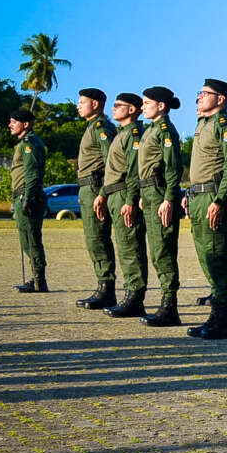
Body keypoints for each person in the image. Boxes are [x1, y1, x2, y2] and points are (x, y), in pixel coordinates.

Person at [185, 78, 227, 339]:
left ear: (220, 99)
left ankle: (224, 320)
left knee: (218, 256)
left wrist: (219, 200)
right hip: (199, 196)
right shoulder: (203, 124)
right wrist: (189, 194)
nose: (199, 97)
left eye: (204, 93)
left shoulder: (224, 125)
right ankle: (218, 316)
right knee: (206, 256)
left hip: (213, 196)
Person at [130, 86, 184, 324]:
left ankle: (169, 307)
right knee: (156, 250)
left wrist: (169, 198)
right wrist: (144, 192)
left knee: (163, 250)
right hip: (150, 192)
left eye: (147, 103)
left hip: (160, 193)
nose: (142, 107)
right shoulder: (150, 129)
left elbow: (172, 167)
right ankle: (166, 304)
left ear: (161, 106)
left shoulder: (164, 130)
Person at [94, 94, 148, 314]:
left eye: (118, 105)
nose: (113, 108)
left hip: (124, 193)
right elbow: (111, 170)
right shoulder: (121, 133)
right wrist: (103, 193)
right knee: (124, 245)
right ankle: (129, 294)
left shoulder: (134, 134)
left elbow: (134, 171)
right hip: (114, 193)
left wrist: (130, 200)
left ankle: (134, 298)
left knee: (130, 246)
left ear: (132, 110)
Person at [74, 88, 118, 310]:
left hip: (95, 187)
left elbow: (111, 160)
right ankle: (102, 285)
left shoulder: (101, 127)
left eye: (82, 102)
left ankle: (106, 289)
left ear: (96, 104)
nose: (78, 106)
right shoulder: (91, 127)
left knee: (98, 238)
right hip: (87, 187)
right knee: (93, 239)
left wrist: (102, 193)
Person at [8, 109, 49, 293]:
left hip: (28, 194)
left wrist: (28, 198)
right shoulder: (25, 142)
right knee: (26, 239)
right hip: (22, 194)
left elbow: (32, 173)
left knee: (31, 239)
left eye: (13, 122)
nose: (10, 125)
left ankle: (39, 280)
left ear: (25, 124)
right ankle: (36, 278)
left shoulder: (29, 143)